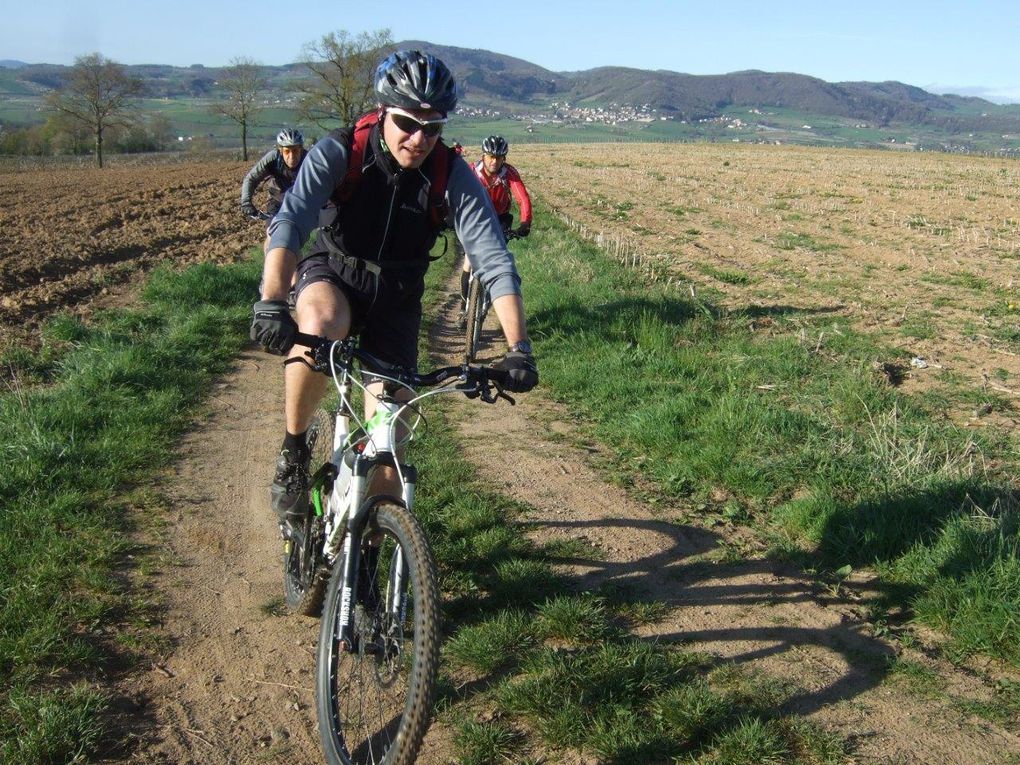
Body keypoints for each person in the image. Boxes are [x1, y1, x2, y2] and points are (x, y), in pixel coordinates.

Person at [250, 50, 538, 528]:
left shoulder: (451, 172)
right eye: (408, 123)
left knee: (388, 456)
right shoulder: (342, 151)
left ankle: (366, 571)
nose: (420, 138)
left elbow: (492, 257)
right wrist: (272, 300)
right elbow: (290, 223)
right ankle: (294, 450)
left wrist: (518, 347)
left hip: (398, 297)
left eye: (434, 128)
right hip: (336, 270)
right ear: (385, 111)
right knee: (320, 326)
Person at [458, 135, 532, 317]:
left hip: (500, 219)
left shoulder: (509, 174)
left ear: (504, 158)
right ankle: (463, 307)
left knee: (497, 260)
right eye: (490, 156)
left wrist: (525, 223)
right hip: (477, 217)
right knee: (468, 261)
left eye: (498, 157)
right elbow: (458, 193)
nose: (494, 161)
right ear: (483, 155)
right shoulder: (473, 171)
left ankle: (490, 295)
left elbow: (522, 199)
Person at [239, 128, 307, 248]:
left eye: (295, 150)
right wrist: (246, 202)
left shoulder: (309, 160)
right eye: (287, 151)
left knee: (300, 240)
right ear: (280, 150)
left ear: (301, 149)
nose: (292, 156)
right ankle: (269, 265)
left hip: (301, 203)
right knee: (272, 236)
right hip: (277, 201)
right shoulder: (273, 159)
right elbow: (251, 179)